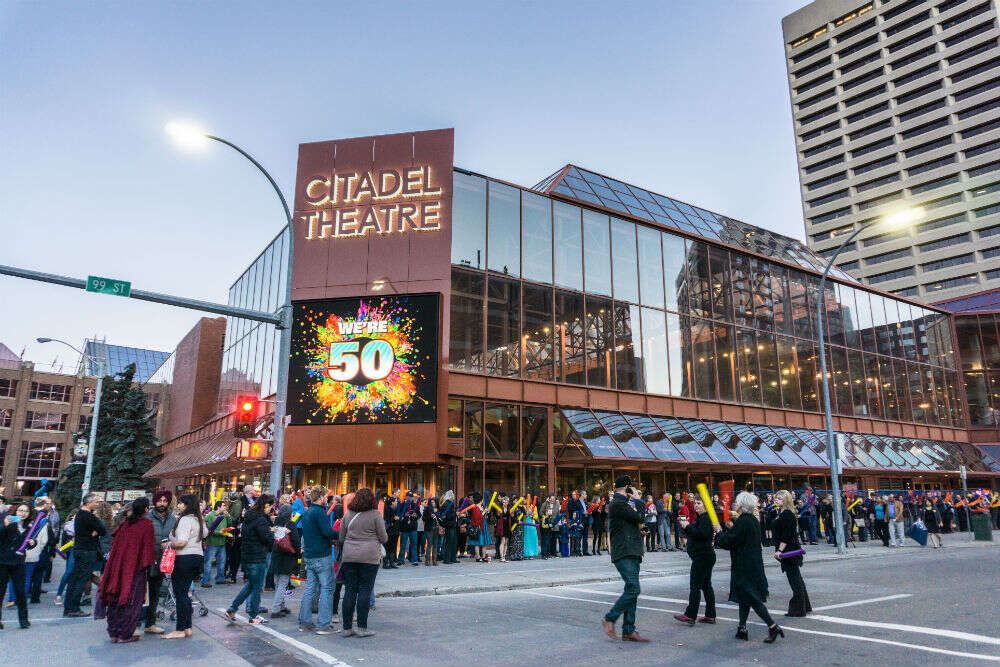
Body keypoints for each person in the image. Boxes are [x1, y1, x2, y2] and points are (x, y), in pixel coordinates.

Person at [715, 491, 783, 643]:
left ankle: (772, 626)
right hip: (752, 563)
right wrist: (731, 527)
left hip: (744, 565)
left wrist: (719, 532)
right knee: (744, 597)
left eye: (737, 503)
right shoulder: (751, 520)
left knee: (752, 598)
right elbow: (740, 537)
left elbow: (731, 541)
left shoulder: (744, 521)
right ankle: (742, 628)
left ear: (741, 505)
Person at [96, 498, 156, 643]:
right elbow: (148, 549)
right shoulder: (146, 524)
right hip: (135, 568)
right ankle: (125, 634)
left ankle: (114, 633)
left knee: (116, 597)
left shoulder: (125, 523)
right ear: (146, 510)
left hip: (118, 566)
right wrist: (149, 564)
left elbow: (115, 544)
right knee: (132, 599)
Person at [601, 475, 649, 643]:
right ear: (628, 488)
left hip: (632, 550)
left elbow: (631, 523)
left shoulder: (622, 504)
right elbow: (640, 517)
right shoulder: (618, 503)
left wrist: (639, 531)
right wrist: (639, 501)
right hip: (624, 552)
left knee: (631, 589)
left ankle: (629, 629)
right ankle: (610, 618)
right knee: (634, 589)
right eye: (632, 488)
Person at [338, 488, 387, 638]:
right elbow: (384, 538)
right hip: (369, 557)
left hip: (350, 556)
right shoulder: (376, 515)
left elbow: (341, 537)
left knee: (350, 591)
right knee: (365, 590)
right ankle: (362, 627)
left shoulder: (348, 514)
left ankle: (346, 628)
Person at [226, 493, 275, 625]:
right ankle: (253, 616)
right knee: (256, 588)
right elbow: (267, 538)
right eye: (271, 506)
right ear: (266, 505)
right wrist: (272, 534)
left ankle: (232, 608)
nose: (271, 509)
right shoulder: (260, 520)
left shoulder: (250, 517)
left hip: (248, 555)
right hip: (257, 557)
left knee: (251, 585)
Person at [163, 494, 208, 639]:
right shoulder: (199, 519)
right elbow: (205, 534)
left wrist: (168, 544)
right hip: (197, 557)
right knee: (185, 593)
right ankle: (187, 627)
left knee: (180, 593)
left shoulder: (185, 520)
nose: (179, 506)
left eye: (181, 504)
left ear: (187, 505)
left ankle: (180, 629)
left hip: (184, 558)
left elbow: (182, 542)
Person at [673, 495, 716, 626]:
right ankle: (710, 615)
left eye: (699, 503)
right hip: (704, 555)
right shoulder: (702, 518)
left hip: (702, 556)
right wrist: (686, 526)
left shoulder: (706, 518)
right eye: (695, 503)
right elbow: (696, 532)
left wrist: (687, 526)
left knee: (695, 586)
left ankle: (690, 615)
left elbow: (701, 534)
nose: (696, 505)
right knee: (706, 585)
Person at [298, 486, 335, 634]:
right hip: (321, 555)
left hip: (310, 555)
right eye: (326, 496)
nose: (327, 499)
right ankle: (323, 624)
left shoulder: (308, 512)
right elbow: (327, 532)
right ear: (320, 497)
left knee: (310, 589)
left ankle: (305, 622)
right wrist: (341, 534)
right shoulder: (319, 512)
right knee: (327, 588)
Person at [64, 492, 106, 618]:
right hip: (87, 551)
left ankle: (68, 607)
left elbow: (98, 530)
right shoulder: (88, 516)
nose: (97, 504)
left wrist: (95, 532)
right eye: (96, 501)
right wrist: (95, 532)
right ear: (89, 502)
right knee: (81, 579)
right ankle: (74, 608)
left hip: (79, 549)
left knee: (75, 578)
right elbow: (102, 529)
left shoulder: (79, 515)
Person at [772, 490, 811, 617]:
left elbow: (787, 535)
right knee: (797, 578)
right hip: (788, 549)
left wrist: (780, 550)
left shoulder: (787, 514)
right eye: (776, 498)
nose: (776, 500)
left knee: (795, 580)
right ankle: (805, 606)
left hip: (789, 551)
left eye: (779, 498)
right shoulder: (782, 513)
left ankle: (799, 609)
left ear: (785, 500)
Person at [143, 490, 176, 634]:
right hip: (146, 559)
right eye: (159, 501)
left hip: (163, 559)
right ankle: (136, 622)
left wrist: (170, 544)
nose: (162, 504)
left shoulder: (173, 519)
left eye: (165, 501)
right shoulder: (147, 518)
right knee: (141, 593)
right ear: (154, 502)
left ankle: (150, 623)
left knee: (155, 593)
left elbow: (175, 536)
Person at [0, 503, 32, 629]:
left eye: (26, 511)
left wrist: (32, 543)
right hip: (3, 562)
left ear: (29, 514)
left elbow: (28, 545)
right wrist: (4, 526)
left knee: (21, 592)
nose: (22, 513)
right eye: (20, 510)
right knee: (0, 593)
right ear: (15, 512)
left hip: (19, 563)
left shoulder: (29, 527)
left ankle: (24, 620)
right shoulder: (7, 522)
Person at [269, 503, 300, 619]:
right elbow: (296, 541)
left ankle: (281, 605)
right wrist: (298, 552)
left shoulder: (276, 522)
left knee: (278, 582)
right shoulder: (291, 524)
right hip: (286, 556)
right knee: (283, 583)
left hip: (276, 554)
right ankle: (276, 609)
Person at [202, 500, 230, 587]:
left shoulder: (224, 516)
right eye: (223, 506)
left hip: (222, 542)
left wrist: (228, 517)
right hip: (212, 543)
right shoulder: (210, 515)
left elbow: (229, 524)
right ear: (218, 507)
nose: (225, 507)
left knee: (222, 562)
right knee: (208, 562)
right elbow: (208, 529)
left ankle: (220, 579)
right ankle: (205, 581)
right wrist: (219, 532)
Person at [459, 492, 491, 562]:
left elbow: (484, 517)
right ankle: (478, 557)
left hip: (484, 525)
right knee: (477, 542)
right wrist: (484, 512)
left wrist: (486, 513)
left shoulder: (482, 506)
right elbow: (477, 518)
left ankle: (483, 556)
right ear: (480, 499)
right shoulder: (475, 507)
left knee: (484, 542)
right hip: (478, 526)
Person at [438, 491, 457, 564]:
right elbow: (445, 516)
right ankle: (447, 559)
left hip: (452, 525)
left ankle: (453, 558)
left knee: (453, 542)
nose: (454, 497)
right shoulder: (446, 504)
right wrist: (455, 514)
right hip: (449, 525)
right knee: (449, 543)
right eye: (453, 496)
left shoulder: (449, 503)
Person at [421, 498, 440, 566]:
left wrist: (437, 516)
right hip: (429, 529)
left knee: (435, 544)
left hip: (436, 529)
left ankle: (434, 560)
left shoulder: (438, 510)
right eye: (431, 502)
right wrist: (430, 516)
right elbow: (423, 518)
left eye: (433, 502)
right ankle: (427, 560)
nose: (432, 503)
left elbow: (440, 518)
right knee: (429, 544)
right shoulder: (427, 509)